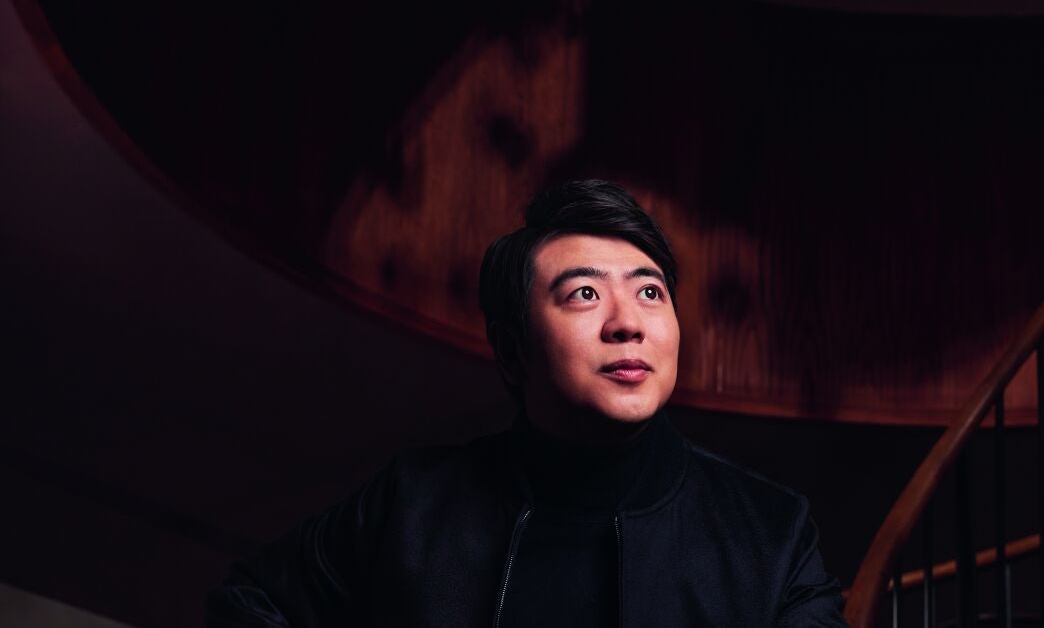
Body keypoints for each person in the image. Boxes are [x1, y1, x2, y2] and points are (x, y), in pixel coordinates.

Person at [205, 179, 847, 626]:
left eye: (650, 293)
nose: (628, 323)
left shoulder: (771, 532)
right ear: (513, 351)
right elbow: (249, 604)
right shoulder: (412, 504)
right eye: (584, 295)